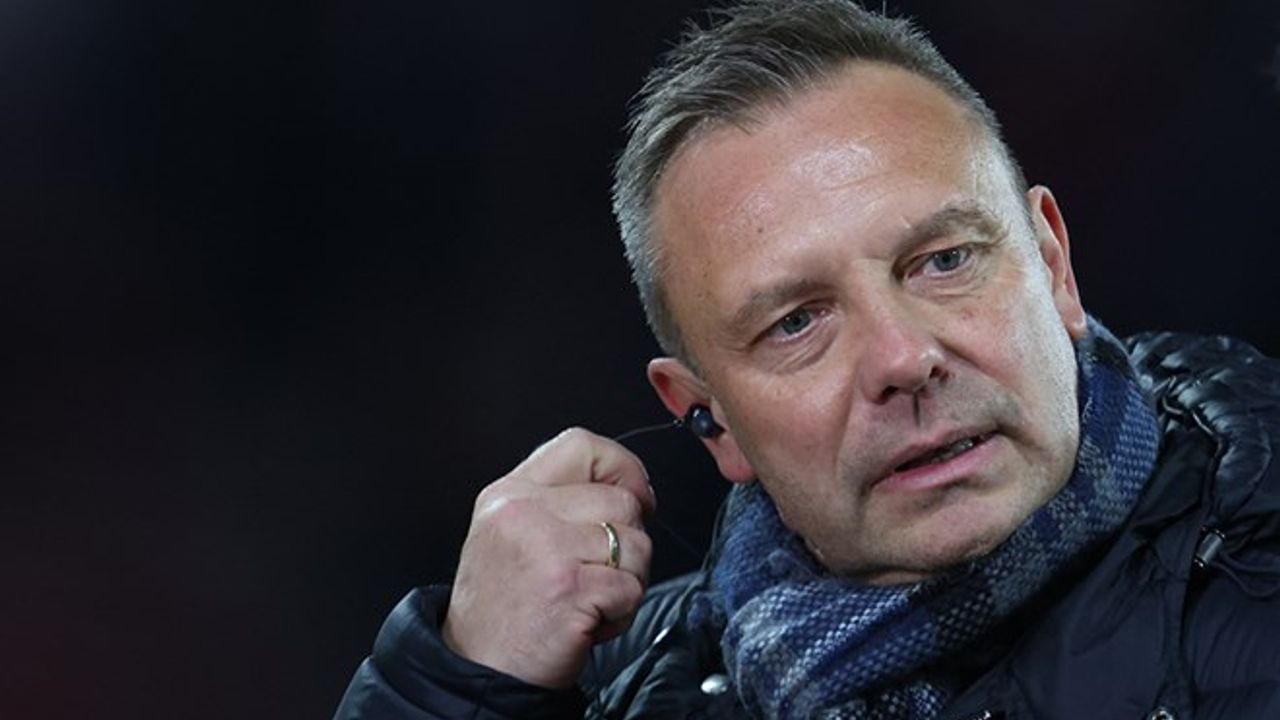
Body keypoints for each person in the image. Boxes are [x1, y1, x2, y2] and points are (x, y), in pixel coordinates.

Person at [334, 1, 1280, 717]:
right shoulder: (623, 686)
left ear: (1053, 265)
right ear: (709, 419)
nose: (904, 358)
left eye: (944, 261)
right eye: (797, 323)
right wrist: (462, 686)